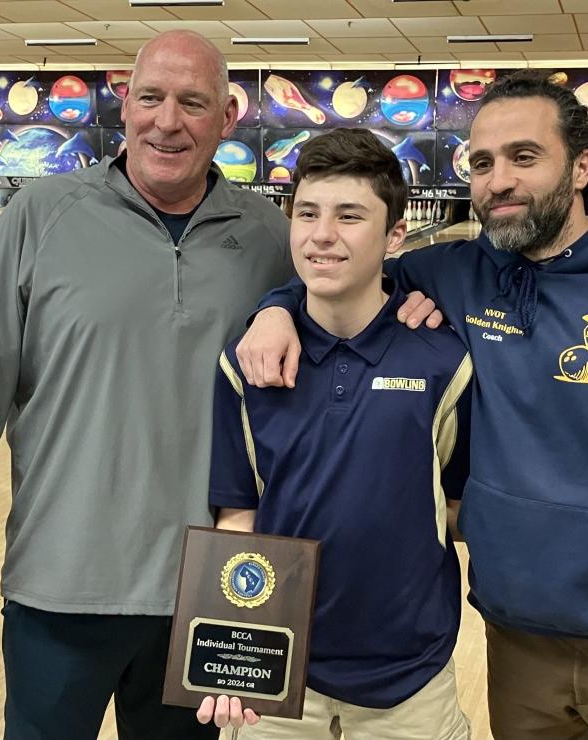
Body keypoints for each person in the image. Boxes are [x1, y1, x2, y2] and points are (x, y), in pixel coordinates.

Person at [235, 71, 588, 739]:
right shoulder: (459, 273)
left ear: (581, 166)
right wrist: (276, 308)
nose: (498, 181)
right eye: (483, 161)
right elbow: (342, 271)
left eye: (524, 157)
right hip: (519, 641)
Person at [0, 30, 296, 740]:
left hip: (204, 590)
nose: (167, 121)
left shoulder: (269, 232)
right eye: (150, 98)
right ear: (126, 102)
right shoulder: (42, 213)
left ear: (228, 117)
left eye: (192, 102)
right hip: (62, 582)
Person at [198, 128, 472, 740]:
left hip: (412, 681)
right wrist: (229, 651)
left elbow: (455, 509)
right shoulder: (248, 363)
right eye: (307, 214)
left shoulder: (444, 362)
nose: (323, 234)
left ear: (396, 235)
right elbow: (237, 518)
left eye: (350, 216)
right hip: (276, 676)